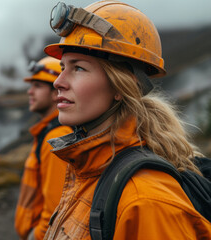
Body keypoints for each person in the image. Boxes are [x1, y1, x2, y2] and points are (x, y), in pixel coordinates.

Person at [41, 1, 211, 239]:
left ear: (121, 86)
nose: (58, 82)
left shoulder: (146, 201)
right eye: (62, 67)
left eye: (78, 68)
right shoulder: (89, 170)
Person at [14, 56, 73, 240]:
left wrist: (37, 235)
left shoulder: (56, 136)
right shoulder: (48, 131)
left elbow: (57, 205)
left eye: (38, 86)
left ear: (56, 92)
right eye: (31, 86)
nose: (30, 92)